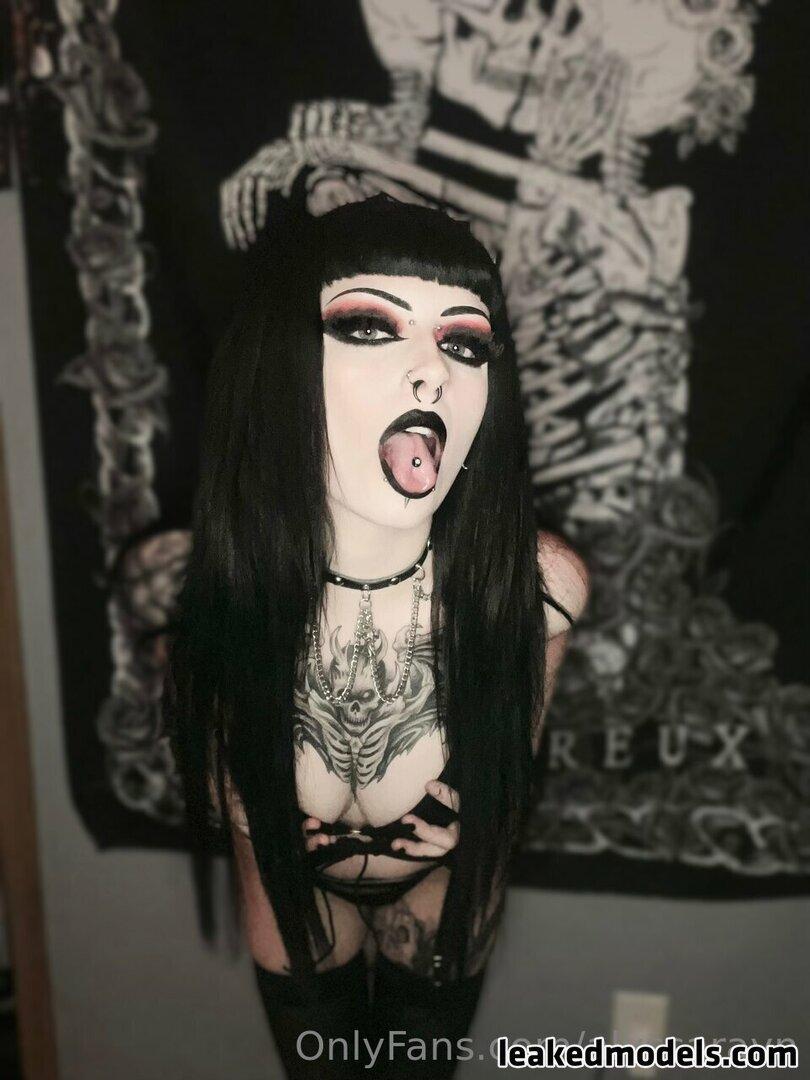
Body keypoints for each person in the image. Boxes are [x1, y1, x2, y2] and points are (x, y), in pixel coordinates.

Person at [164, 194, 589, 1078]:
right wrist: (250, 813)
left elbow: (508, 770)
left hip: (443, 895)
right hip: (288, 888)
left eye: (464, 343)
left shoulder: (539, 588)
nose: (431, 374)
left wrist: (473, 817)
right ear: (282, 362)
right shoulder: (203, 581)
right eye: (369, 327)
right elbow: (215, 764)